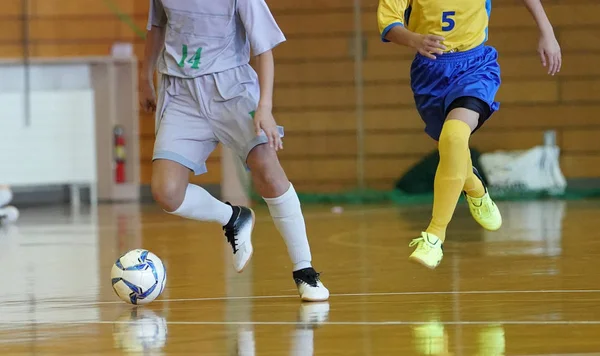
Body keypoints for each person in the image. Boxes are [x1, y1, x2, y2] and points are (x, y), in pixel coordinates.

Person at [139, 0, 329, 301]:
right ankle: (232, 217)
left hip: (233, 88)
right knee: (166, 192)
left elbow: (264, 50)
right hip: (181, 94)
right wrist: (145, 77)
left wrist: (264, 107)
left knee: (267, 168)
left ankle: (304, 270)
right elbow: (158, 27)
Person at [377, 0, 561, 269]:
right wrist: (414, 39)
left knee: (454, 137)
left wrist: (547, 31)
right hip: (430, 72)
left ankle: (434, 236)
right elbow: (389, 23)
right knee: (451, 146)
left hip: (475, 65)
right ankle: (474, 187)